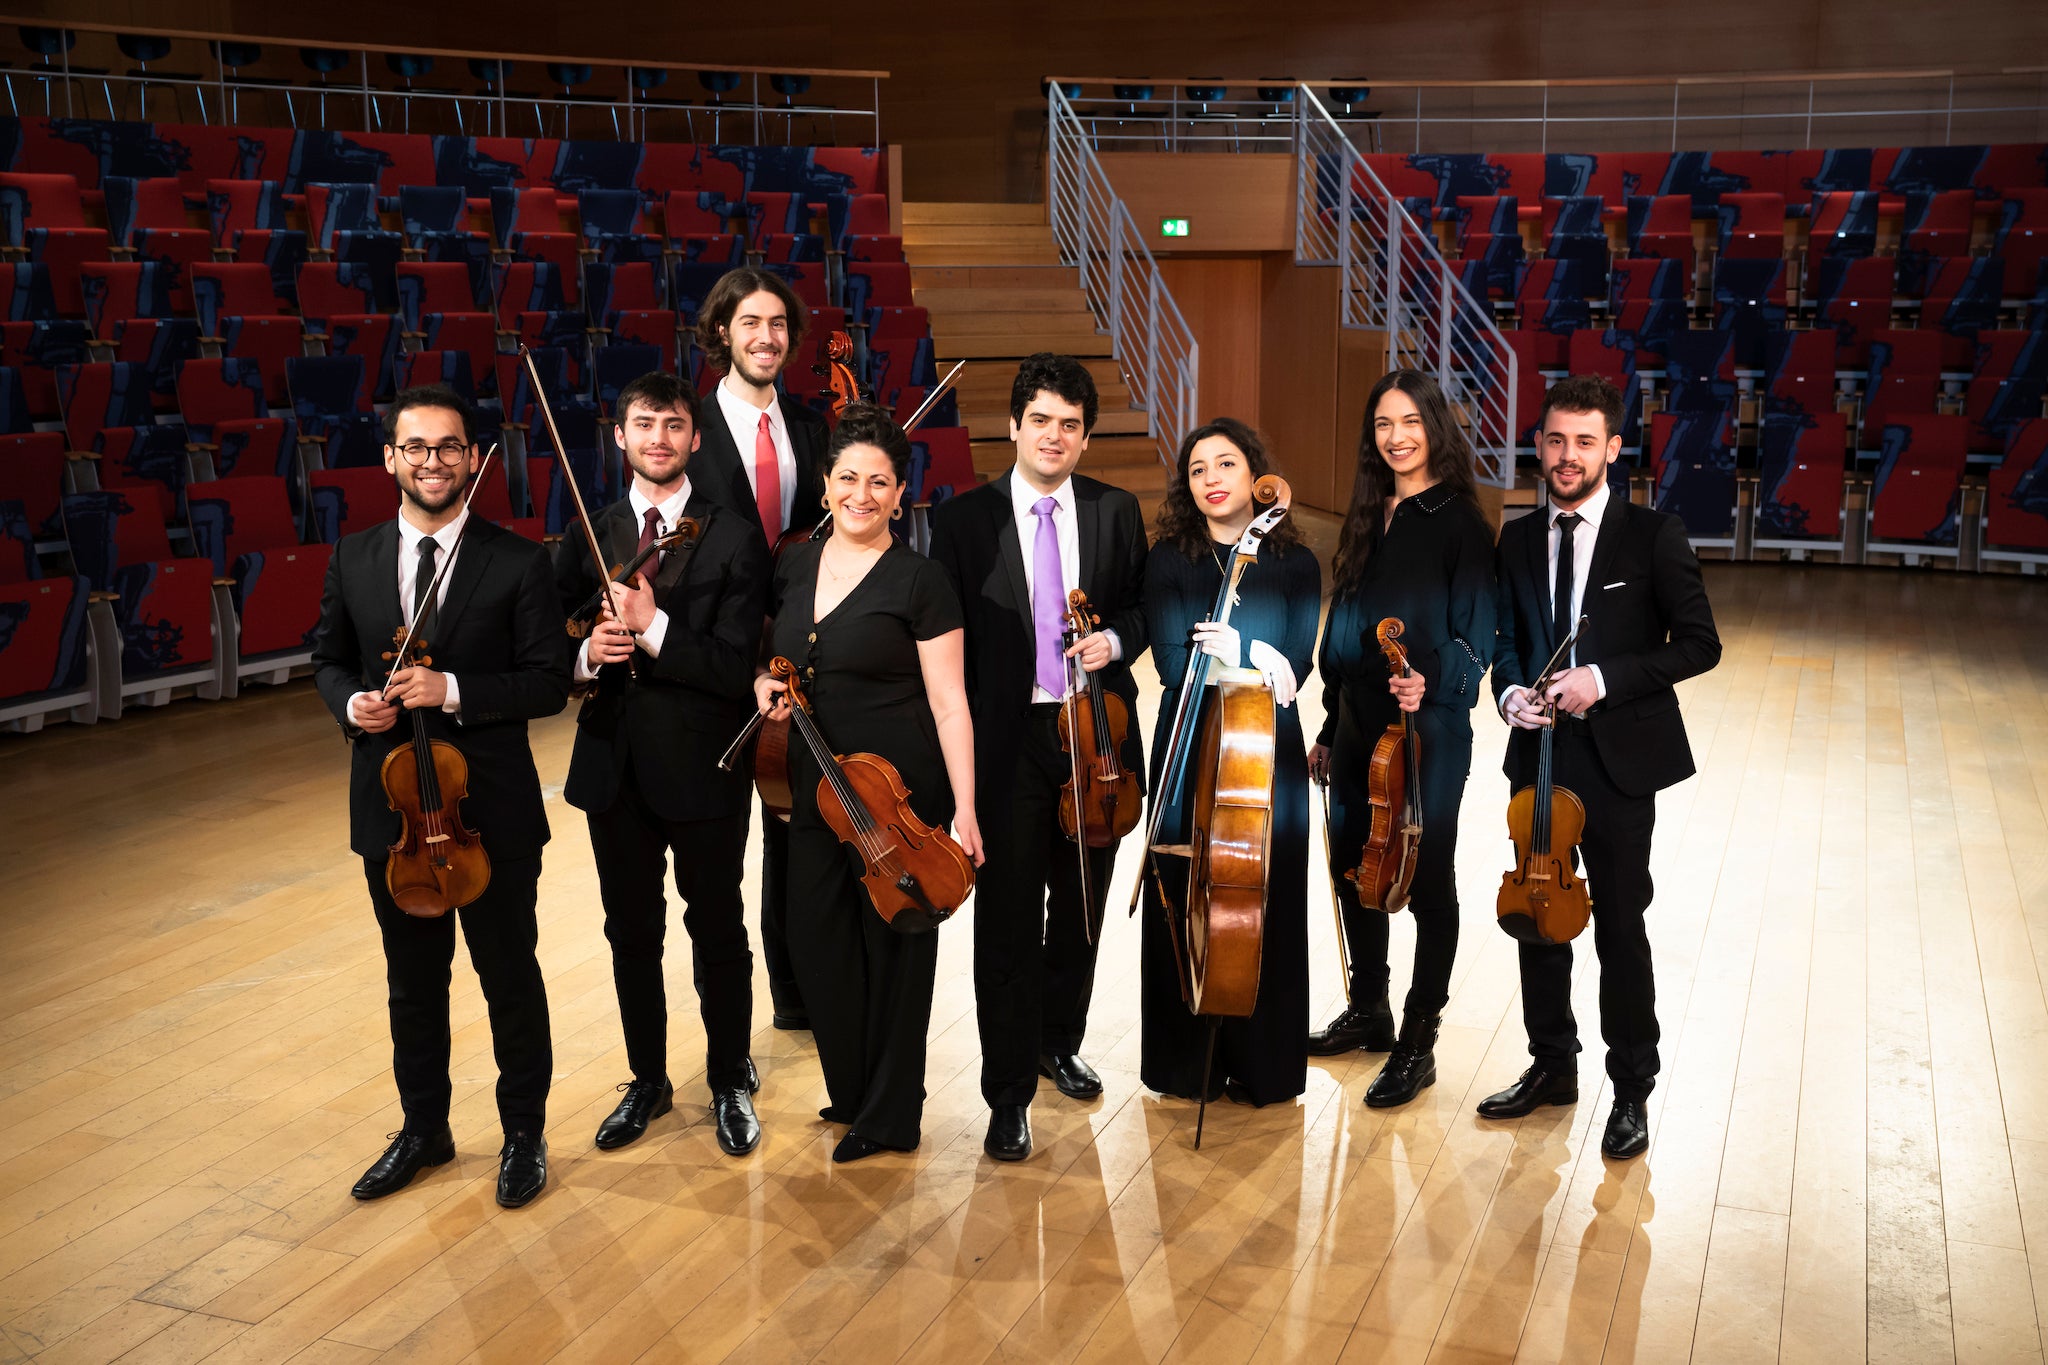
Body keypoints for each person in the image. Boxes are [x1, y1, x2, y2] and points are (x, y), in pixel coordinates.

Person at [310, 384, 569, 1208]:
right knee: (411, 981)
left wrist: (450, 686)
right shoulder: (352, 555)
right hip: (392, 817)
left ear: (471, 459)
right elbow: (328, 659)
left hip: (488, 811)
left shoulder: (519, 558)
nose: (433, 461)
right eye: (415, 447)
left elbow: (546, 684)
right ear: (390, 457)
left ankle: (523, 1130)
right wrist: (354, 703)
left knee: (508, 975)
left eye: (449, 447)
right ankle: (425, 1127)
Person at [1477, 374, 1721, 1159]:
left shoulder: (1653, 535)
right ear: (1538, 445)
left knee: (1619, 924)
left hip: (1617, 759)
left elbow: (1698, 644)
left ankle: (1631, 1089)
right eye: (1554, 440)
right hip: (1538, 754)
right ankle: (1552, 1063)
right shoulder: (1516, 536)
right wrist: (1511, 688)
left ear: (1613, 448)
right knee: (1537, 914)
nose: (1567, 455)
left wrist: (1602, 680)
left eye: (1585, 441)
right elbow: (1507, 638)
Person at [927, 352, 1148, 1164]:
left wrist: (1117, 638)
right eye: (1041, 420)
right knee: (1011, 918)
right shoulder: (962, 522)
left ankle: (1061, 1040)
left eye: (1070, 425)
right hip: (1010, 740)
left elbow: (1141, 607)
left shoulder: (1118, 511)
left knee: (1083, 909)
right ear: (1013, 426)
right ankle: (1007, 1090)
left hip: (1097, 736)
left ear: (1086, 439)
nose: (1054, 436)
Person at [752, 403, 983, 1163]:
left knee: (896, 943)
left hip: (899, 789)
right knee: (815, 938)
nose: (861, 493)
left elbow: (950, 703)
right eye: (847, 477)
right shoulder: (793, 564)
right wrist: (764, 684)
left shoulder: (922, 581)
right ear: (824, 485)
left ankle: (890, 1113)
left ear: (899, 492)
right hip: (815, 784)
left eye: (878, 481)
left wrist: (967, 809)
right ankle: (851, 1090)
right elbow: (777, 655)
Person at [557, 371, 773, 1157]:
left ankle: (728, 1078)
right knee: (630, 932)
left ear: (694, 439)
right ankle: (647, 1078)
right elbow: (549, 655)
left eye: (673, 425)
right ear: (620, 436)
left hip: (705, 766)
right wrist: (587, 652)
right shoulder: (592, 529)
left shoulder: (734, 536)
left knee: (717, 927)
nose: (658, 437)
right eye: (643, 423)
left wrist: (651, 627)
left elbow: (732, 666)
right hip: (614, 769)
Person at [1306, 370, 1497, 1109]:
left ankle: (1419, 1040)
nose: (1396, 437)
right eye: (1383, 424)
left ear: (1435, 428)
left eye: (1411, 421)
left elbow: (1477, 636)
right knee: (1358, 864)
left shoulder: (1459, 523)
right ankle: (1371, 1008)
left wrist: (1434, 679)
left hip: (1429, 727)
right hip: (1357, 718)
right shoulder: (1365, 514)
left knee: (1425, 874)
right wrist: (1328, 724)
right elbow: (1347, 629)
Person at [1138, 418, 1319, 1107]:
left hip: (1266, 746)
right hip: (1190, 739)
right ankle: (1189, 1065)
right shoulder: (1168, 560)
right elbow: (1168, 659)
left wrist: (1245, 653)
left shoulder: (1295, 562)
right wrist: (1214, 659)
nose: (1213, 479)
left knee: (1268, 896)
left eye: (1227, 464)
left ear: (1255, 475)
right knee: (1183, 891)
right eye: (1198, 469)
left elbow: (1296, 663)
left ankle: (1266, 1063)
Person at [691, 266, 830, 1035]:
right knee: (718, 848)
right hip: (714, 662)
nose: (765, 337)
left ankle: (796, 990)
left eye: (777, 324)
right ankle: (725, 1029)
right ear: (722, 333)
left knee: (791, 825)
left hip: (794, 657)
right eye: (750, 323)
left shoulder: (811, 428)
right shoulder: (687, 428)